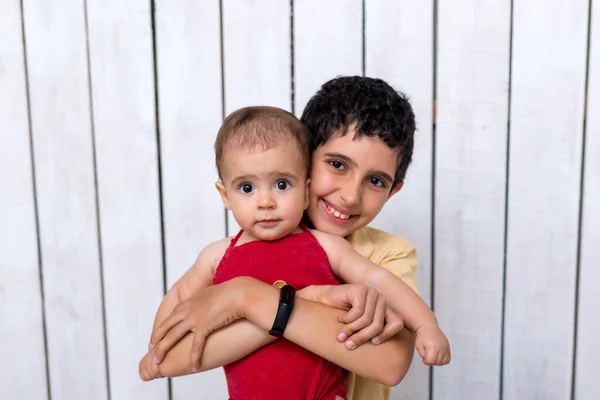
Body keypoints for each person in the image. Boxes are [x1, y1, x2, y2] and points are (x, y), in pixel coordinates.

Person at [144, 77, 450, 400]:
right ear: (304, 160)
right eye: (336, 164)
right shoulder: (231, 252)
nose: (349, 196)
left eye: (375, 181)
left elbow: (390, 363)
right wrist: (306, 299)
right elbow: (172, 355)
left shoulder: (387, 254)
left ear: (393, 191)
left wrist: (246, 298)